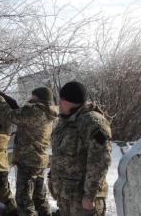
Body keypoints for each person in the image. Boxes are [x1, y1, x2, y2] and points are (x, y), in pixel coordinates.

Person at [48, 81, 112, 216]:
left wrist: (90, 195)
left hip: (82, 202)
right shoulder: (64, 122)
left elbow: (100, 160)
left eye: (62, 99)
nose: (59, 103)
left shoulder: (92, 122)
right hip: (66, 197)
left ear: (70, 100)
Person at [0, 87, 59, 216]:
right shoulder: (48, 112)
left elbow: (10, 115)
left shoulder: (35, 111)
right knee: (39, 199)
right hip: (39, 160)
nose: (31, 99)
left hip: (27, 162)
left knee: (24, 202)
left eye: (34, 96)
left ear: (40, 98)